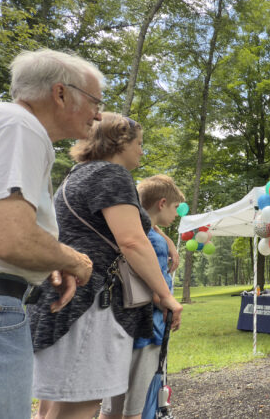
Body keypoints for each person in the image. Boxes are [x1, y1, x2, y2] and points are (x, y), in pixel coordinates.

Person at [0, 49, 98, 418]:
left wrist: (45, 261)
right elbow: (7, 236)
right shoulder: (19, 126)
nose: (99, 113)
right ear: (60, 94)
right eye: (95, 100)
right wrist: (74, 260)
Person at [28, 112, 183, 419]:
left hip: (63, 297)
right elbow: (132, 241)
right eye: (139, 143)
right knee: (81, 403)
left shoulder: (78, 174)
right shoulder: (112, 175)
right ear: (119, 141)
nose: (142, 150)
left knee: (54, 405)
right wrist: (165, 295)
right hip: (91, 303)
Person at [100, 175, 185, 418]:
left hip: (120, 326)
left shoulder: (131, 230)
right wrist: (170, 304)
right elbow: (153, 289)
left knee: (111, 406)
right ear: (161, 203)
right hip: (147, 329)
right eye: (175, 207)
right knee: (135, 408)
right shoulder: (154, 243)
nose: (176, 214)